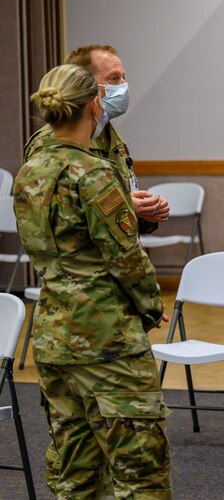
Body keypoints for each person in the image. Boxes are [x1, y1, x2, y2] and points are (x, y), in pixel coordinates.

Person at [13, 64, 172, 498]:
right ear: (93, 104)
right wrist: (150, 306)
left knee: (75, 469)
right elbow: (125, 258)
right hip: (106, 339)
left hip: (52, 332)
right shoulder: (93, 174)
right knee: (140, 469)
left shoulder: (29, 171)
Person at [24, 44, 169, 234]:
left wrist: (144, 214)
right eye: (114, 78)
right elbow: (44, 222)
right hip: (78, 263)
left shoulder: (109, 136)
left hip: (116, 259)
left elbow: (115, 212)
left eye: (123, 78)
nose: (123, 86)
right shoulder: (49, 143)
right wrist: (122, 207)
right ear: (84, 85)